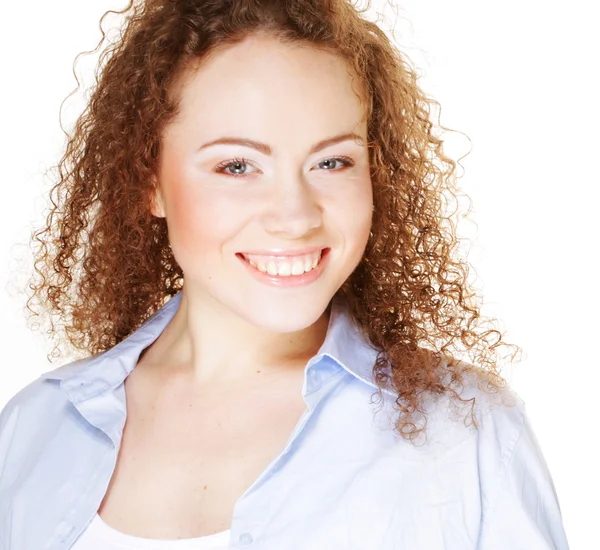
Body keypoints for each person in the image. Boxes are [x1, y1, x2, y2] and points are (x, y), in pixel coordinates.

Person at [0, 0, 569, 548]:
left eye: (332, 161)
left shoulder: (468, 436)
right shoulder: (34, 429)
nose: (296, 217)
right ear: (150, 181)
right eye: (238, 165)